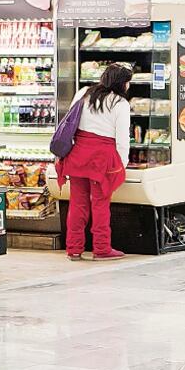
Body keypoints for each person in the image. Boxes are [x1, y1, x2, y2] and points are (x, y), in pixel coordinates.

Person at [56, 63, 132, 262]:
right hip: (102, 159)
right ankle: (101, 248)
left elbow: (69, 123)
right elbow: (122, 140)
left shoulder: (84, 93)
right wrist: (120, 166)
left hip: (78, 154)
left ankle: (73, 248)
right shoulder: (120, 104)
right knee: (100, 204)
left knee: (77, 203)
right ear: (122, 83)